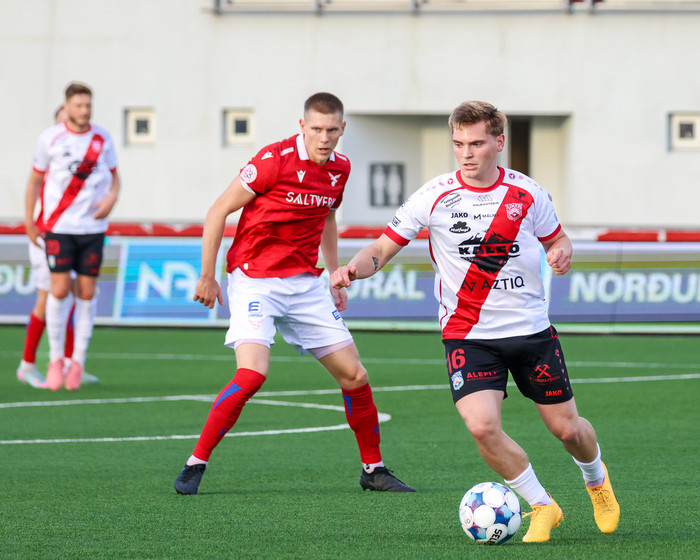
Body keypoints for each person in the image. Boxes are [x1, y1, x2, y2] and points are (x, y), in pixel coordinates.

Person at [331, 101, 620, 542]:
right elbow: (382, 249)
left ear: (499, 142)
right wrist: (353, 269)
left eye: (477, 143)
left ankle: (597, 482)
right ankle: (542, 505)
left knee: (567, 429)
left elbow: (558, 240)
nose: (466, 153)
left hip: (530, 332)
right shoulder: (433, 196)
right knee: (482, 426)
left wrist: (562, 253)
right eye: (459, 143)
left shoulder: (527, 193)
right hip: (467, 334)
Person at [173, 92, 414, 495]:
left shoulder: (340, 168)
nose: (324, 137)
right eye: (316, 129)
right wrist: (207, 275)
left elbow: (328, 217)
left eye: (332, 130)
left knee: (355, 375)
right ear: (302, 126)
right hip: (255, 278)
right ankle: (195, 463)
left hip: (304, 284)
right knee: (252, 374)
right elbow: (218, 210)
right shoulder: (273, 160)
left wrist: (334, 273)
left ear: (342, 128)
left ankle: (373, 470)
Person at [24, 82, 120, 391]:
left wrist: (112, 199)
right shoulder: (49, 138)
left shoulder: (103, 138)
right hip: (60, 227)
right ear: (67, 107)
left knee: (87, 293)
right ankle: (54, 360)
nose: (84, 110)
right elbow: (34, 182)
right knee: (58, 290)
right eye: (79, 105)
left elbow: (115, 178)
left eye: (88, 105)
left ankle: (77, 361)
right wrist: (29, 220)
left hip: (92, 229)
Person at [17, 104, 100, 388]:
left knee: (78, 294)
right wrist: (31, 223)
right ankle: (28, 363)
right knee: (50, 296)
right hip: (48, 233)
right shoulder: (51, 154)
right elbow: (35, 186)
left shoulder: (85, 155)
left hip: (76, 233)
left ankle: (70, 363)